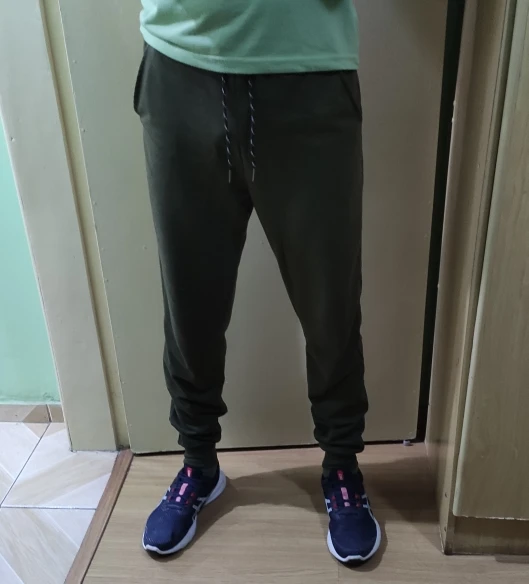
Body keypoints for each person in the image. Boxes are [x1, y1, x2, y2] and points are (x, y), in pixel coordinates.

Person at [136, 0, 380, 564]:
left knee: (330, 301)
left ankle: (342, 465)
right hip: (180, 66)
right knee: (190, 295)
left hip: (309, 73)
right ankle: (199, 463)